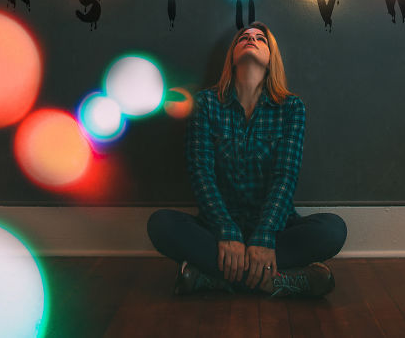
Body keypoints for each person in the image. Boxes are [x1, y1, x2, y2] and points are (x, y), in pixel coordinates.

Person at [147, 22, 347, 297]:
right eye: (244, 37)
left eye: (260, 38)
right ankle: (277, 282)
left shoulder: (291, 107)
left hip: (275, 229)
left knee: (333, 230)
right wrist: (227, 231)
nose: (251, 39)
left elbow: (285, 177)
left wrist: (264, 237)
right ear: (232, 55)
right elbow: (200, 172)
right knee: (161, 225)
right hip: (217, 228)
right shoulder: (206, 103)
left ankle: (212, 279)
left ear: (271, 57)